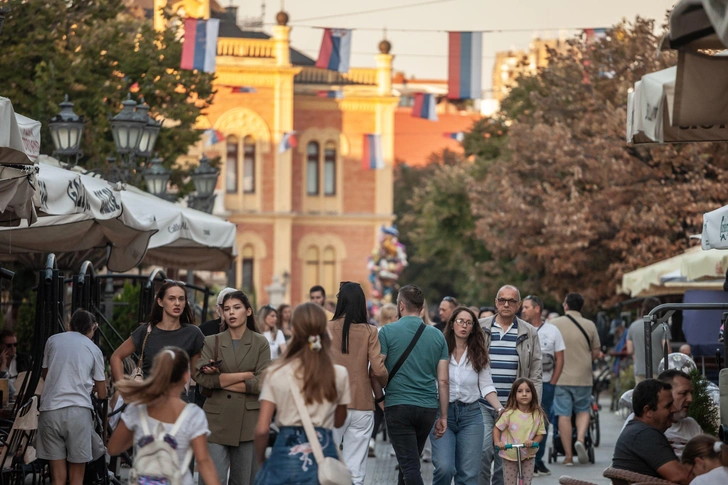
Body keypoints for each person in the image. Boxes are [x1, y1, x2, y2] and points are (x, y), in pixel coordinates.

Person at [253, 303, 350, 484]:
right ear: (323, 330)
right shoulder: (339, 374)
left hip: (285, 457)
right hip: (323, 458)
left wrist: (261, 460)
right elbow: (339, 421)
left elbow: (262, 429)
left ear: (294, 330)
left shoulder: (275, 373)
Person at [108, 347, 220, 485]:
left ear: (155, 373)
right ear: (186, 376)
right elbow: (203, 461)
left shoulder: (137, 408)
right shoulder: (193, 415)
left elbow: (113, 448)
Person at [194, 291, 271, 485]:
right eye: (227, 309)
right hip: (216, 420)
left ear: (248, 311)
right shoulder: (212, 341)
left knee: (243, 480)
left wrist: (223, 381)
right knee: (212, 479)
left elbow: (262, 382)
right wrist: (245, 376)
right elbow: (203, 378)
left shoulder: (260, 342)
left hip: (248, 421)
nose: (231, 313)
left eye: (237, 308)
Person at [378, 285, 449, 485]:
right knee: (409, 461)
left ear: (401, 306)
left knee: (409, 466)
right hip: (427, 407)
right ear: (422, 307)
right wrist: (443, 415)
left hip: (398, 405)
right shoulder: (437, 335)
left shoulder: (387, 331)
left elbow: (376, 370)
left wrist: (379, 398)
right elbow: (443, 380)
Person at [478, 285, 542, 485]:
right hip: (482, 404)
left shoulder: (529, 332)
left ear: (519, 305)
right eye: (502, 300)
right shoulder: (480, 328)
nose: (506, 304)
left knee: (504, 457)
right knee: (483, 450)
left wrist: (534, 409)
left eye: (511, 301)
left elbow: (536, 374)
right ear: (496, 302)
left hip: (514, 408)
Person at [431, 307, 501, 485]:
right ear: (452, 324)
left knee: (469, 475)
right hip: (442, 413)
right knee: (444, 468)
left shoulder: (478, 352)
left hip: (471, 416)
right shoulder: (439, 349)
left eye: (469, 323)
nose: (464, 325)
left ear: (473, 328)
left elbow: (486, 385)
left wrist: (499, 408)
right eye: (460, 321)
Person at [37, 310, 106, 485]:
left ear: (69, 325)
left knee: (57, 478)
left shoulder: (53, 340)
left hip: (50, 410)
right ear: (92, 328)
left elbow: (46, 374)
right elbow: (103, 391)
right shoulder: (94, 349)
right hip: (78, 412)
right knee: (77, 479)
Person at [328, 282, 388, 485]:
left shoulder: (326, 329)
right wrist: (383, 390)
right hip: (362, 402)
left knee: (329, 462)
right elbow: (378, 370)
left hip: (332, 402)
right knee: (356, 469)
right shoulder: (370, 331)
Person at [111, 281, 205, 395]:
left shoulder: (193, 333)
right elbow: (116, 357)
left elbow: (196, 373)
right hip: (147, 401)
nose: (177, 303)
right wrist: (122, 391)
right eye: (171, 298)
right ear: (160, 301)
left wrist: (212, 373)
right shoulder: (146, 331)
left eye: (181, 299)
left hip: (176, 403)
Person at [550, 292, 600, 466]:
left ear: (565, 306)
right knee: (583, 410)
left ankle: (569, 456)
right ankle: (580, 438)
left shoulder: (554, 324)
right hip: (583, 376)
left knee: (563, 414)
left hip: (561, 376)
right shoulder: (590, 325)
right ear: (581, 307)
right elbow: (595, 352)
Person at [612, 379, 689, 484]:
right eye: (668, 406)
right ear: (647, 411)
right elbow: (679, 476)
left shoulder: (637, 430)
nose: (674, 409)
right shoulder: (644, 435)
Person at [520, 295, 565, 476]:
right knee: (522, 421)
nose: (523, 310)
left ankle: (538, 460)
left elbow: (560, 358)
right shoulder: (519, 329)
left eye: (526, 307)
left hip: (546, 384)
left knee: (542, 423)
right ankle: (523, 458)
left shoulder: (553, 331)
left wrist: (553, 382)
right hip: (523, 386)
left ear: (537, 309)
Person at [620, 369, 702, 458]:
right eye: (683, 393)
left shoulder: (692, 425)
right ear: (666, 394)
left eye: (691, 393)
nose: (690, 399)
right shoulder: (642, 422)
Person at [493, 378, 547, 485]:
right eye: (520, 391)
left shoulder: (537, 414)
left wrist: (532, 441)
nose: (524, 394)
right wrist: (497, 442)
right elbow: (497, 428)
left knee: (527, 482)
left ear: (533, 393)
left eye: (528, 391)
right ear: (514, 394)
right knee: (510, 482)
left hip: (528, 454)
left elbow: (540, 433)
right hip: (510, 454)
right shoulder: (508, 413)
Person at [626, 297, 670, 384]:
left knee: (643, 396)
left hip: (640, 370)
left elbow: (629, 350)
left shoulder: (633, 326)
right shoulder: (662, 326)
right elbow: (667, 350)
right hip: (658, 371)